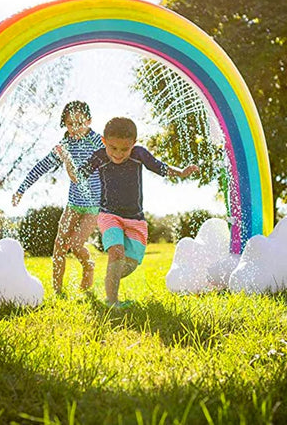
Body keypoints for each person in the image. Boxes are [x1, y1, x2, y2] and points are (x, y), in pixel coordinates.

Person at [56, 117, 199, 307]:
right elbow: (77, 176)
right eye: (113, 148)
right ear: (105, 141)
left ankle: (108, 279)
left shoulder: (138, 154)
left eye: (124, 149)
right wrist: (67, 159)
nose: (118, 154)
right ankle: (112, 302)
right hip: (109, 215)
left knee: (129, 264)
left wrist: (181, 172)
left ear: (134, 143)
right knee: (116, 253)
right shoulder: (100, 156)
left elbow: (159, 167)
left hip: (135, 219)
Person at [10, 101, 103, 295]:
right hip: (73, 204)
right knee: (60, 244)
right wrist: (21, 189)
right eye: (70, 123)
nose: (75, 127)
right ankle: (57, 292)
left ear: (89, 121)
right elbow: (41, 166)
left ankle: (89, 265)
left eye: (80, 122)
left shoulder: (96, 141)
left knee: (77, 245)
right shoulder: (65, 146)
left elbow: (113, 154)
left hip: (94, 206)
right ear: (65, 125)